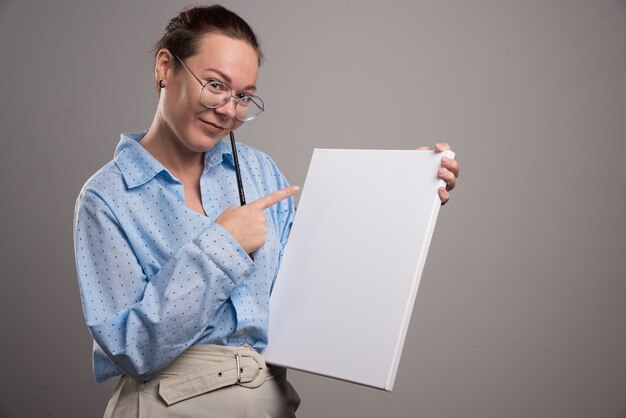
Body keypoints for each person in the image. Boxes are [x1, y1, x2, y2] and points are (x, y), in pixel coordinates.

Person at [73, 4, 459, 418]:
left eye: (243, 96)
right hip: (166, 405)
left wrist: (400, 195)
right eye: (216, 85)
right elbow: (131, 348)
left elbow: (312, 293)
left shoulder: (259, 172)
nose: (228, 109)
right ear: (165, 67)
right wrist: (222, 246)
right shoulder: (106, 197)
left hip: (269, 402)